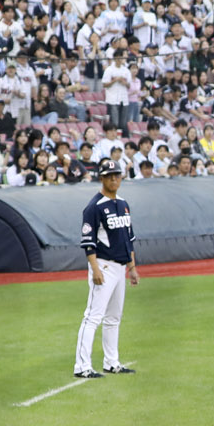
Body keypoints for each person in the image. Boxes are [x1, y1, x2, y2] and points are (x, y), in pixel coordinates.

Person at [74, 161, 138, 377]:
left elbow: (128, 239)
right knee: (93, 316)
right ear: (101, 178)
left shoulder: (123, 203)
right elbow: (88, 242)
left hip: (120, 267)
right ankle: (82, 366)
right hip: (103, 265)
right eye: (109, 175)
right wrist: (95, 269)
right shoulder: (94, 206)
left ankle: (112, 362)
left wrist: (132, 267)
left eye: (116, 175)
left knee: (113, 318)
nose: (113, 179)